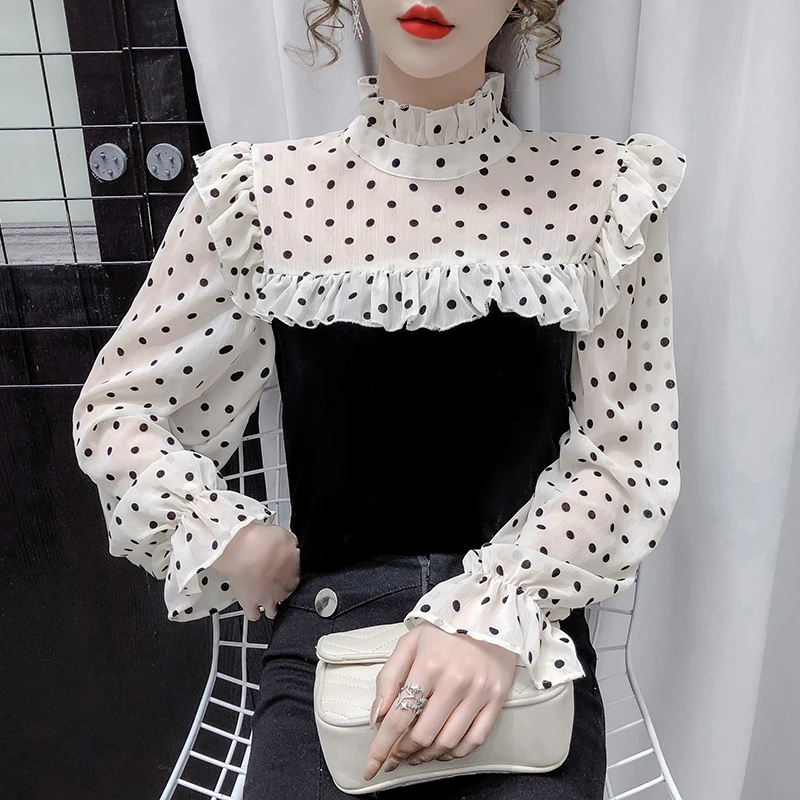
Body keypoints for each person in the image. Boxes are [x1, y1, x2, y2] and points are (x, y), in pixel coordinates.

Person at [71, 1, 687, 797]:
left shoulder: (602, 192)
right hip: (329, 647)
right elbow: (119, 410)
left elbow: (627, 458)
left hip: (519, 644)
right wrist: (225, 534)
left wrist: (489, 613)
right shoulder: (260, 196)